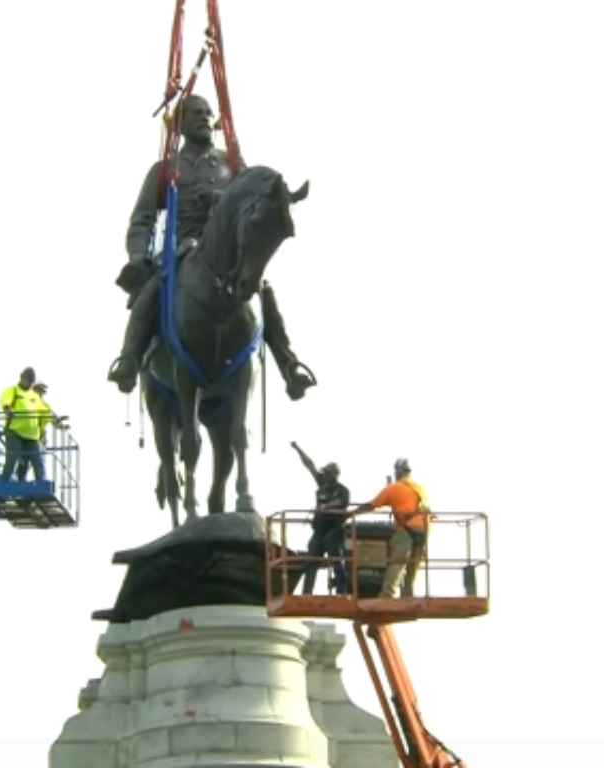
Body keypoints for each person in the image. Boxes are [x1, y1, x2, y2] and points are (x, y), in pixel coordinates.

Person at [106, 94, 316, 401]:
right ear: (179, 124)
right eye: (196, 114)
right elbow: (142, 219)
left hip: (226, 256)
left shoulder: (231, 165)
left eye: (207, 113)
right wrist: (138, 255)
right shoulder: (165, 168)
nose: (205, 118)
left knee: (264, 290)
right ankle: (129, 357)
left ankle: (289, 364)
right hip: (180, 250)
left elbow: (253, 206)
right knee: (153, 287)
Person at [353, 459, 430, 598]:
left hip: (407, 529)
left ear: (397, 472)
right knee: (413, 565)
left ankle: (387, 595)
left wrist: (351, 514)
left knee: (398, 562)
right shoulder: (419, 488)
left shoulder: (394, 487)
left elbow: (372, 505)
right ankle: (408, 595)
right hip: (424, 529)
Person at [290, 441, 352, 595]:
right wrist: (298, 449)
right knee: (311, 563)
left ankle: (341, 593)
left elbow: (342, 502)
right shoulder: (322, 484)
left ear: (334, 474)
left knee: (338, 563)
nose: (324, 474)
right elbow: (309, 465)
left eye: (328, 473)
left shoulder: (342, 490)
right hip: (319, 532)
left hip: (334, 532)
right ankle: (306, 594)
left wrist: (326, 507)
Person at [0, 367, 49, 483]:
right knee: (12, 458)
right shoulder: (13, 390)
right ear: (22, 378)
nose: (29, 383)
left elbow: (44, 411)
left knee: (37, 459)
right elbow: (4, 400)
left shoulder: (34, 396)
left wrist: (56, 421)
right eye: (28, 380)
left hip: (32, 435)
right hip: (15, 431)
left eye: (32, 381)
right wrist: (7, 408)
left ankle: (41, 485)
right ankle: (5, 483)